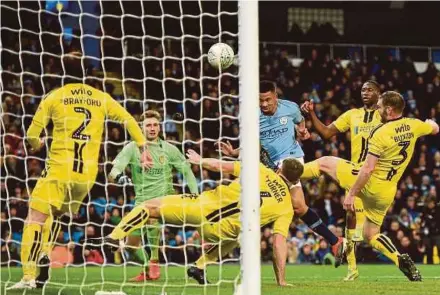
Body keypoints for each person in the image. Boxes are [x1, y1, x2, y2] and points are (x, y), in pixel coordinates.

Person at [7, 52, 152, 290]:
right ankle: (45, 253)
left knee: (35, 218)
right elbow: (128, 120)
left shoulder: (55, 96)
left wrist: (39, 144)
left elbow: (32, 136)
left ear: (60, 72)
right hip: (86, 176)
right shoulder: (100, 97)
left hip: (59, 169)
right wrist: (143, 147)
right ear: (86, 73)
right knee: (60, 216)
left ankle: (28, 276)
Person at [98, 149, 304, 286]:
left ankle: (114, 237)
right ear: (295, 181)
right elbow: (278, 243)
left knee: (148, 207)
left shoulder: (261, 170)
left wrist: (200, 161)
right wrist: (281, 281)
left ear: (280, 168)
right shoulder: (286, 207)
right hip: (219, 233)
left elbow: (221, 166)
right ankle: (199, 266)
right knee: (243, 234)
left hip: (202, 208)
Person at [301, 91, 439, 281]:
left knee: (324, 163)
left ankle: (284, 173)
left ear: (389, 110)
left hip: (370, 182)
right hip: (388, 191)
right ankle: (399, 259)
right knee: (371, 234)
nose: (378, 110)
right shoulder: (414, 125)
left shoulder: (381, 133)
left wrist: (351, 195)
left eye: (381, 107)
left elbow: (367, 169)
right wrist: (431, 123)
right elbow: (434, 128)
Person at [217, 80, 344, 261]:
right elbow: (253, 144)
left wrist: (302, 131)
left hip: (290, 160)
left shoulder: (290, 108)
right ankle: (334, 240)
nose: (264, 104)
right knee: (299, 207)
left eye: (268, 99)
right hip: (267, 164)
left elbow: (300, 121)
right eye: (260, 100)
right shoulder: (252, 116)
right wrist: (234, 152)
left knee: (288, 202)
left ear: (276, 96)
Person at [300, 80, 382, 280]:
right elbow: (327, 133)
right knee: (351, 217)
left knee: (365, 231)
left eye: (370, 89)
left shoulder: (385, 116)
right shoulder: (352, 115)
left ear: (379, 94)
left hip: (377, 176)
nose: (365, 92)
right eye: (363, 89)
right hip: (354, 174)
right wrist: (311, 114)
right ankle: (352, 269)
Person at [108, 110, 198, 281]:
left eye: (155, 124)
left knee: (152, 217)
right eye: (148, 125)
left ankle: (155, 262)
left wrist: (195, 194)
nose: (152, 128)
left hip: (166, 201)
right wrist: (121, 178)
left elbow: (187, 171)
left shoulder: (169, 149)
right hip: (141, 203)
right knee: (130, 246)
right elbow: (113, 171)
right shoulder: (132, 148)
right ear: (141, 128)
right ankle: (147, 268)